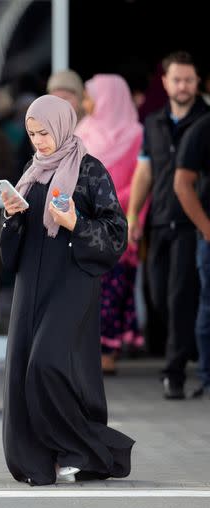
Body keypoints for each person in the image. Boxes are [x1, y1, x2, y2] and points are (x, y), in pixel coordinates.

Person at [0, 95, 134, 486]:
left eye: (44, 133)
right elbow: (14, 245)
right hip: (32, 283)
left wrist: (76, 224)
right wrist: (11, 217)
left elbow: (115, 234)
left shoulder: (90, 172)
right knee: (25, 368)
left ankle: (89, 450)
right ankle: (41, 459)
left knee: (48, 364)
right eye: (32, 133)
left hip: (73, 282)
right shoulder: (31, 171)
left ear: (62, 127)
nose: (39, 141)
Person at [127, 51, 208, 399]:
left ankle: (173, 372)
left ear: (198, 82)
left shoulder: (206, 121)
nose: (183, 86)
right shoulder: (154, 123)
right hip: (159, 219)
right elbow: (144, 171)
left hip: (192, 222)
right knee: (158, 295)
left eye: (189, 79)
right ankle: (185, 345)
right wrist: (133, 214)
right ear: (165, 82)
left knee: (179, 297)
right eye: (177, 79)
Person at [74, 74, 145, 374]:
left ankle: (108, 352)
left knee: (115, 288)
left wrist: (114, 204)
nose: (86, 103)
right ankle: (85, 350)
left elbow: (141, 180)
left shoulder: (135, 133)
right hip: (85, 222)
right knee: (87, 288)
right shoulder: (82, 131)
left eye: (90, 96)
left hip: (119, 220)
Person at [173, 112, 210, 399]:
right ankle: (208, 377)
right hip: (208, 234)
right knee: (208, 306)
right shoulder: (202, 129)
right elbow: (182, 183)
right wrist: (207, 229)